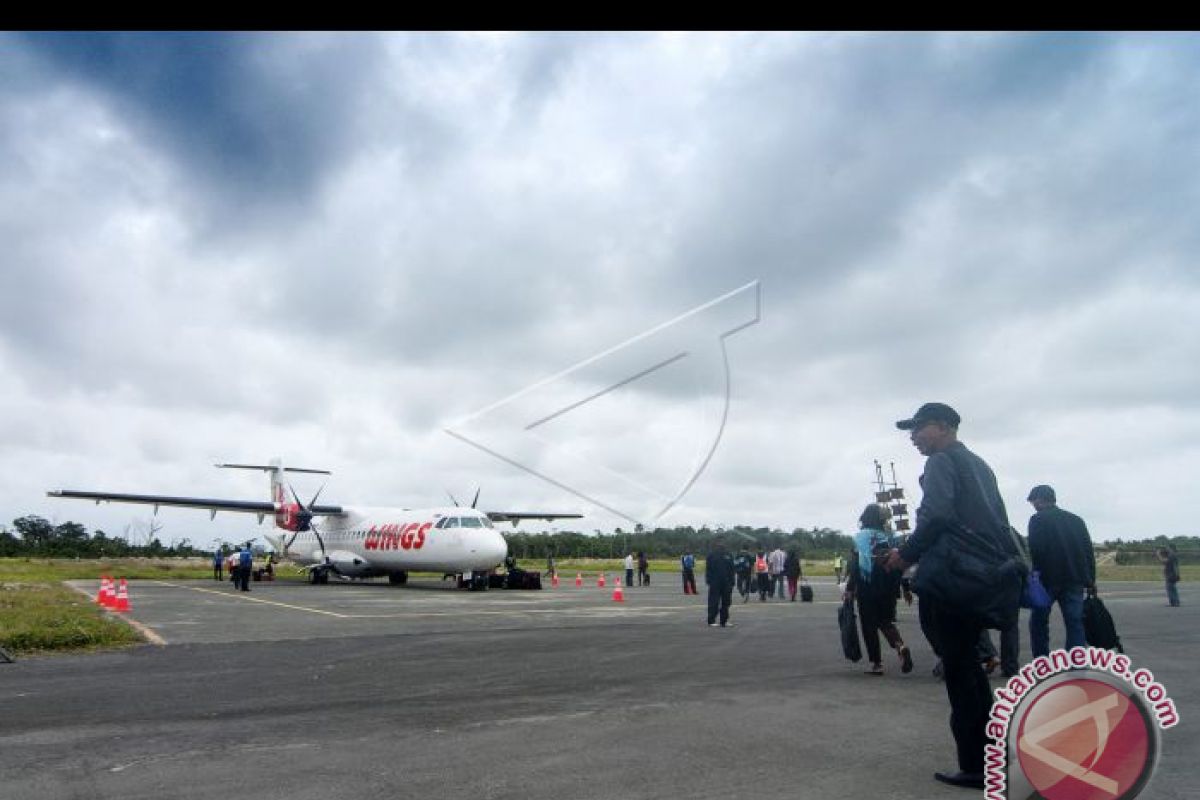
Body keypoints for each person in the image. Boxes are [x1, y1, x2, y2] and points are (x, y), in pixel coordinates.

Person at [883, 402, 1017, 791]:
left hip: (952, 580)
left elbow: (936, 515)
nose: (913, 437)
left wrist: (905, 554)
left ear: (944, 427)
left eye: (919, 428)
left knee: (960, 672)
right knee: (973, 672)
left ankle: (976, 766)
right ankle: (994, 759)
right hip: (980, 578)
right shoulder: (979, 464)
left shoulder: (941, 463)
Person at [1026, 485, 1096, 657]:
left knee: (1039, 622)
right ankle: (1076, 663)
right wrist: (1091, 579)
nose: (1033, 505)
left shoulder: (1038, 519)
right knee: (1075, 623)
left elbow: (1036, 550)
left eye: (1033, 501)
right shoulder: (1076, 520)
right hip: (1074, 579)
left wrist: (1034, 576)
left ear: (1040, 499)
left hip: (1047, 581)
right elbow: (1088, 551)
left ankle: (1042, 661)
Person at [846, 504, 913, 676]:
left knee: (869, 624)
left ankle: (877, 664)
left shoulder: (861, 537)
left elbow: (855, 564)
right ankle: (900, 646)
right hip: (889, 584)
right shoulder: (891, 537)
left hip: (867, 584)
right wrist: (904, 587)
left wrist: (850, 588)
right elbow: (901, 563)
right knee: (885, 621)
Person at [704, 537, 736, 627]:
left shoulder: (729, 555)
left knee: (726, 602)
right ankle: (711, 620)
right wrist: (709, 580)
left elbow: (732, 569)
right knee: (714, 601)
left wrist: (732, 581)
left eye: (723, 542)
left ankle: (724, 620)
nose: (721, 544)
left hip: (726, 582)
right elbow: (708, 569)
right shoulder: (711, 555)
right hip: (715, 581)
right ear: (716, 543)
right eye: (719, 542)